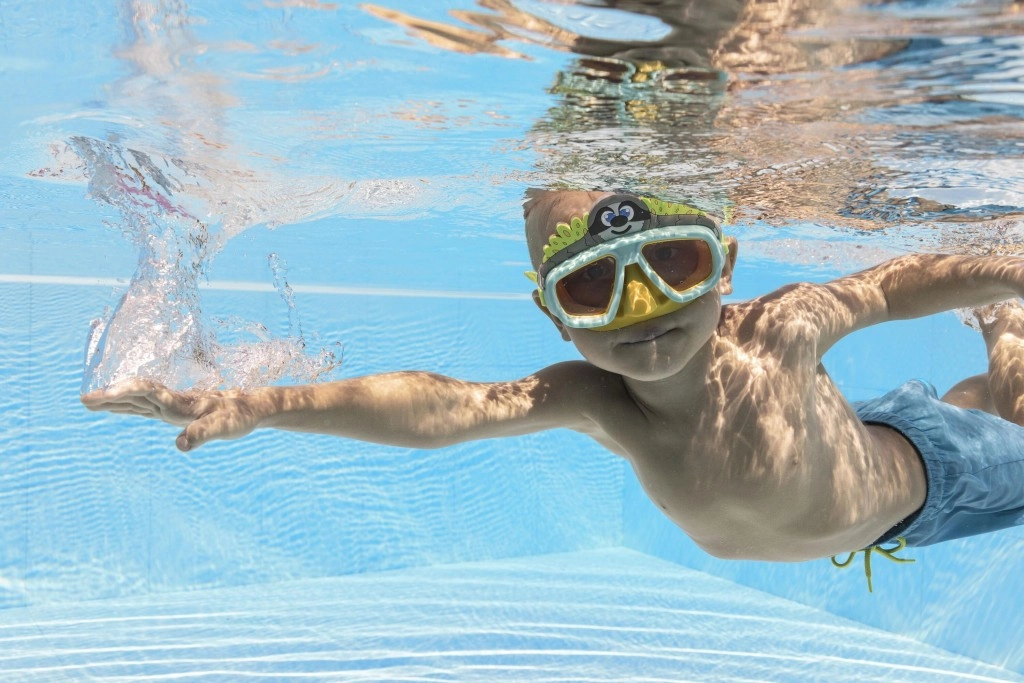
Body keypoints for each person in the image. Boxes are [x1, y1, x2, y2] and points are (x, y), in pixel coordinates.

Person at [82, 189, 1024, 586]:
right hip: (869, 469)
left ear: (725, 266)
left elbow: (894, 284)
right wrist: (259, 405)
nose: (642, 309)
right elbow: (448, 408)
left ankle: (1006, 333)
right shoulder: (594, 397)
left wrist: (1007, 271)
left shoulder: (781, 329)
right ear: (556, 317)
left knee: (1009, 411)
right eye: (592, 287)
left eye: (673, 264)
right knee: (964, 404)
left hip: (932, 476)